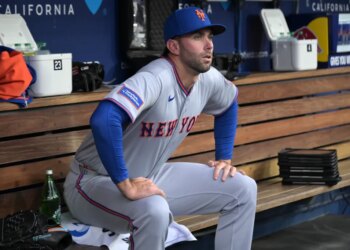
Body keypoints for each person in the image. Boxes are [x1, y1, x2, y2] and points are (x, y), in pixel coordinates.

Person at [63, 7, 257, 250]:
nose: (209, 45)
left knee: (243, 188)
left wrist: (224, 158)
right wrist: (126, 184)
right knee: (154, 210)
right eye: (197, 37)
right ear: (174, 47)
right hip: (92, 183)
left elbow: (229, 104)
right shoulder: (155, 78)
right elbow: (104, 119)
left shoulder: (208, 79)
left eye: (210, 36)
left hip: (149, 175)